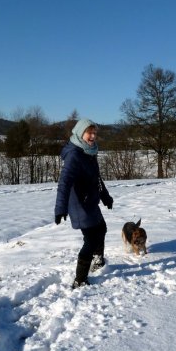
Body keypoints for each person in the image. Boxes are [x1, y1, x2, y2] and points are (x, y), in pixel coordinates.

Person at [54, 118, 113, 289]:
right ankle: (80, 279)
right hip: (79, 204)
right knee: (91, 239)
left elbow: (97, 178)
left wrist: (105, 197)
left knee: (101, 228)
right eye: (90, 132)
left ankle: (97, 260)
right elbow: (64, 183)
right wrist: (60, 208)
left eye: (95, 133)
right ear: (80, 133)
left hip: (90, 200)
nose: (93, 136)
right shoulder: (75, 154)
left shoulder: (89, 151)